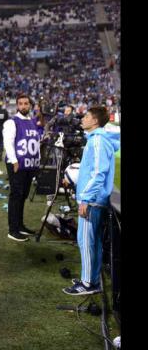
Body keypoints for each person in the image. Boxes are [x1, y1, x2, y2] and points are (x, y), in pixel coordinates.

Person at [63, 106, 119, 295]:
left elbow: (98, 173)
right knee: (92, 242)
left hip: (92, 200)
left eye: (86, 116)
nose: (83, 119)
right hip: (96, 199)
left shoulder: (97, 141)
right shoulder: (98, 140)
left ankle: (88, 284)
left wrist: (85, 199)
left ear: (95, 121)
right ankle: (92, 279)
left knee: (86, 241)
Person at [3, 94, 41, 242]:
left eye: (26, 103)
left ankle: (20, 226)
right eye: (21, 104)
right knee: (16, 195)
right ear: (17, 106)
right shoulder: (12, 122)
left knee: (23, 196)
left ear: (30, 105)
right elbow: (8, 143)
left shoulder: (32, 121)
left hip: (29, 165)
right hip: (17, 164)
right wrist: (14, 161)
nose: (23, 106)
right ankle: (13, 230)